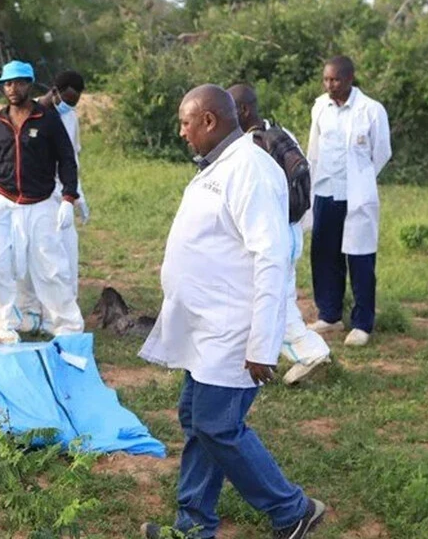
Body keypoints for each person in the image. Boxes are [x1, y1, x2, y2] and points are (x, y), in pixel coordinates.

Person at [139, 85, 325, 539]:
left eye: (186, 122)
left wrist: (263, 343)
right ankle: (193, 526)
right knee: (197, 420)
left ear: (209, 121)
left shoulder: (252, 169)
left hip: (233, 330)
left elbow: (271, 259)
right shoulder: (221, 164)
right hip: (206, 327)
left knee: (217, 425)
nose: (181, 132)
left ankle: (292, 509)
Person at [0, 60, 83, 345]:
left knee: (51, 268)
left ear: (29, 84)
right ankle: (0, 326)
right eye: (7, 83)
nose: (13, 88)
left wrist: (68, 197)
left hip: (41, 203)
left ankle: (66, 327)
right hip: (4, 202)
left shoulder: (47, 119)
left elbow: (67, 158)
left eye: (18, 82)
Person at [228, 84, 332, 385]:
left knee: (273, 300)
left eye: (229, 108)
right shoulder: (279, 132)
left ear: (244, 110)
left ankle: (311, 353)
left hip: (273, 235)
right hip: (291, 229)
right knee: (275, 296)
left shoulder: (252, 147)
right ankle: (264, 358)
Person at [305, 56, 391, 347]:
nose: (330, 85)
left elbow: (381, 152)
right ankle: (329, 314)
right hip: (325, 190)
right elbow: (313, 150)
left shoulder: (371, 110)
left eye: (336, 80)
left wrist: (362, 179)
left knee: (360, 258)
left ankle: (362, 322)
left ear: (350, 78)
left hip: (356, 195)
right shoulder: (320, 107)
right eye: (326, 80)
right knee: (323, 254)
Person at [19, 69, 90, 331]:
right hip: (35, 194)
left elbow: (72, 159)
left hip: (62, 194)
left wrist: (76, 195)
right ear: (55, 91)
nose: (69, 107)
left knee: (64, 258)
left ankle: (56, 316)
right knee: (31, 256)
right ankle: (30, 312)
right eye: (67, 100)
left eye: (74, 103)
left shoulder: (69, 118)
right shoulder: (29, 112)